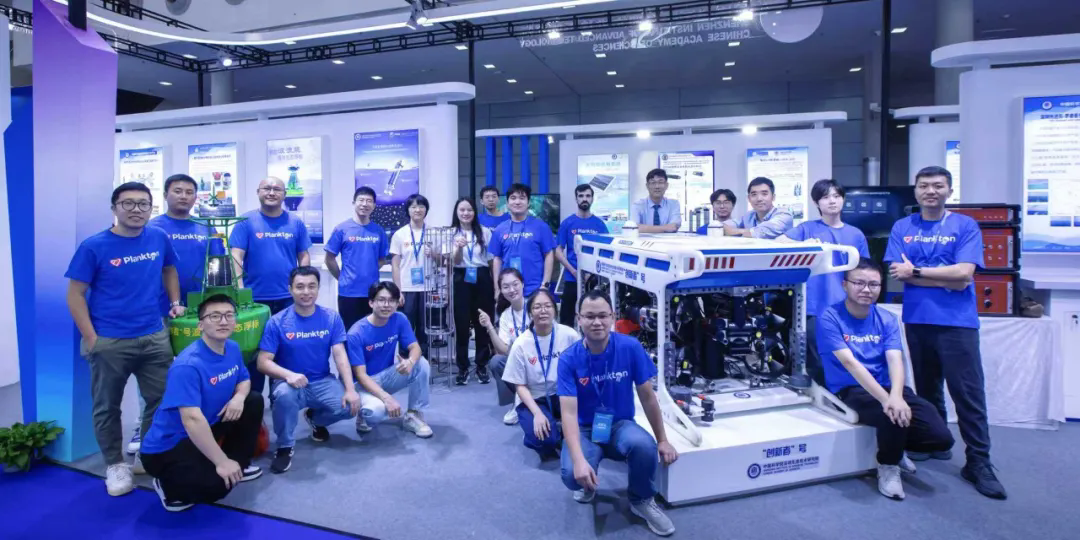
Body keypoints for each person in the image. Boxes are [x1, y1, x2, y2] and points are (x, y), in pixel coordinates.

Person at [884, 165, 1006, 500]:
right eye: (924, 185)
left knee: (968, 394)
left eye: (938, 185)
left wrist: (918, 272)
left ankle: (978, 462)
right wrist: (943, 277)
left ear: (949, 191)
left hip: (957, 322)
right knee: (928, 389)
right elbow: (898, 274)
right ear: (916, 191)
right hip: (918, 320)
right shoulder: (903, 227)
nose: (930, 191)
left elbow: (965, 275)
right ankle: (936, 443)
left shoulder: (964, 226)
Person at [65, 182, 184, 496]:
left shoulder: (158, 237)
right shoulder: (94, 246)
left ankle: (147, 452)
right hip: (110, 342)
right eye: (128, 203)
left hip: (154, 336)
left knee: (161, 400)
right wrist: (91, 338)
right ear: (114, 208)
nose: (136, 209)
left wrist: (175, 302)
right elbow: (75, 294)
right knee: (107, 406)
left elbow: (170, 269)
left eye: (143, 204)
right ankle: (115, 464)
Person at [816, 258, 954, 500]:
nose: (866, 289)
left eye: (873, 284)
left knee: (941, 437)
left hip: (889, 387)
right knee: (891, 416)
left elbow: (895, 359)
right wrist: (887, 400)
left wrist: (897, 396)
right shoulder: (829, 317)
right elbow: (850, 364)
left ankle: (897, 447)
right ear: (845, 285)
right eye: (859, 283)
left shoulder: (887, 319)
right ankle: (888, 465)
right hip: (852, 388)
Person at [559, 290, 677, 537]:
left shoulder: (630, 347)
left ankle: (641, 499)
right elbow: (568, 414)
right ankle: (587, 482)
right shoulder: (568, 359)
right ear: (579, 319)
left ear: (613, 317)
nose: (597, 322)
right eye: (589, 316)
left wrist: (663, 440)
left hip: (620, 424)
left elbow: (648, 397)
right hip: (585, 429)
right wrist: (579, 461)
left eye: (603, 315)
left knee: (644, 446)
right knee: (571, 474)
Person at [141, 294, 265, 511]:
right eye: (214, 316)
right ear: (200, 325)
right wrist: (221, 462)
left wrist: (238, 398)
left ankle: (239, 465)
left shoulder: (232, 348)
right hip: (170, 445)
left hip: (208, 425)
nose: (223, 321)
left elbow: (244, 380)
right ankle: (166, 484)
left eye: (228, 315)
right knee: (216, 488)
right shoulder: (188, 365)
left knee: (252, 400)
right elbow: (191, 419)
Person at [129, 174, 216, 456]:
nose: (184, 196)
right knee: (156, 372)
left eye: (189, 192)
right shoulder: (152, 227)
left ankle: (198, 422)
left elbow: (215, 263)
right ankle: (146, 425)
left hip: (199, 310)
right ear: (166, 194)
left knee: (199, 368)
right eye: (177, 191)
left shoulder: (205, 227)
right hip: (159, 310)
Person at [256, 266, 362, 474]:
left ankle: (314, 418)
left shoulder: (331, 318)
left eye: (311, 286)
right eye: (300, 287)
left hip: (322, 380)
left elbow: (340, 355)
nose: (306, 292)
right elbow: (263, 362)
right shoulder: (277, 322)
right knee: (284, 396)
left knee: (350, 406)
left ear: (318, 288)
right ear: (290, 289)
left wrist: (350, 389)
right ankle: (285, 446)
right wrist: (289, 375)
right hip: (288, 383)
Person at [777, 179, 869, 386]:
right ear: (816, 203)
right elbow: (779, 242)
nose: (832, 201)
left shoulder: (856, 234)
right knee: (817, 363)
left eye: (836, 196)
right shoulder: (807, 229)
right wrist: (803, 245)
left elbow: (865, 271)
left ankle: (844, 396)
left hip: (846, 308)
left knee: (847, 360)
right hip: (813, 307)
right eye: (826, 197)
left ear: (843, 199)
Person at [230, 176, 313, 393]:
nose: (271, 192)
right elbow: (236, 255)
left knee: (286, 350)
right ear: (258, 192)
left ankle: (282, 398)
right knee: (254, 351)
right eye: (266, 188)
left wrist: (303, 287)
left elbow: (303, 255)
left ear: (284, 194)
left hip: (287, 299)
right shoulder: (245, 221)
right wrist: (240, 289)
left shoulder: (295, 222)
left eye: (277, 189)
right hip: (254, 300)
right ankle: (254, 401)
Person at [346, 281, 434, 438]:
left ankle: (413, 414)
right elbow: (360, 375)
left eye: (392, 300)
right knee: (376, 411)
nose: (386, 305)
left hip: (386, 376)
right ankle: (363, 413)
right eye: (381, 300)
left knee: (421, 364)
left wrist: (410, 362)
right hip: (362, 384)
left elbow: (415, 348)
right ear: (371, 302)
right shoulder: (356, 333)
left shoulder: (399, 319)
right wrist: (387, 399)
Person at [502, 289, 580, 457]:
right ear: (530, 313)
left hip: (564, 393)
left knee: (587, 428)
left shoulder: (569, 335)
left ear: (555, 310)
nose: (543, 311)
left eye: (547, 306)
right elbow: (520, 386)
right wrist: (537, 413)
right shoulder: (521, 344)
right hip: (535, 398)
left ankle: (558, 426)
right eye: (537, 307)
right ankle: (535, 430)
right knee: (545, 441)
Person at [325, 186, 390, 330]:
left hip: (373, 291)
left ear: (374, 205)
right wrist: (342, 277)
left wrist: (368, 269)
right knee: (351, 331)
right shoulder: (342, 229)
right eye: (361, 200)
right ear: (354, 203)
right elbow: (329, 258)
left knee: (372, 330)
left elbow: (382, 259)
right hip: (348, 292)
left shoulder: (378, 231)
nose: (365, 204)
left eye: (369, 201)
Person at [450, 197, 496, 386]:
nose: (466, 213)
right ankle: (462, 368)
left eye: (469, 210)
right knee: (461, 325)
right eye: (462, 210)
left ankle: (481, 365)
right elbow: (454, 261)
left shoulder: (484, 232)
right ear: (456, 212)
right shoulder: (452, 233)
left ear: (475, 212)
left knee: (482, 323)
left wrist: (496, 286)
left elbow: (491, 261)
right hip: (461, 278)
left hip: (482, 277)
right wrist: (458, 248)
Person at [480, 268, 530, 426]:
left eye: (515, 284)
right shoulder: (506, 316)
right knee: (496, 361)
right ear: (501, 290)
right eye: (506, 287)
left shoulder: (534, 306)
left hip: (539, 359)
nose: (512, 290)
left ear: (522, 284)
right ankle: (518, 401)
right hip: (518, 361)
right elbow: (502, 350)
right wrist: (489, 326)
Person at [489, 183, 556, 297]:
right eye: (513, 198)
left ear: (528, 202)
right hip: (508, 291)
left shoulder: (541, 227)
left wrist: (545, 285)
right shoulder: (499, 229)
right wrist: (497, 288)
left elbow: (549, 254)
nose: (517, 202)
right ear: (507, 203)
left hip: (535, 290)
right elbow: (497, 259)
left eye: (522, 198)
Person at [555, 184, 608, 327]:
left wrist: (593, 274)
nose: (585, 199)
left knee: (593, 318)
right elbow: (558, 251)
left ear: (592, 199)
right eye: (581, 196)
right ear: (576, 199)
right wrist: (573, 271)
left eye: (588, 196)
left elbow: (605, 252)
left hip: (594, 280)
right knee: (566, 320)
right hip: (571, 278)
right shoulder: (567, 223)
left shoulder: (599, 225)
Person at [390, 193, 432, 358]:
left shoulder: (433, 232)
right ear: (408, 210)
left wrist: (434, 254)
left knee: (424, 330)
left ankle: (423, 364)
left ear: (426, 210)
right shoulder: (400, 234)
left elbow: (443, 261)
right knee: (405, 329)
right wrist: (398, 291)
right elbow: (395, 265)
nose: (417, 210)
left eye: (421, 206)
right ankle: (404, 364)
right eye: (413, 206)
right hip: (407, 289)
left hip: (428, 288)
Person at [724, 177, 793, 239]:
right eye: (754, 194)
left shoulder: (784, 215)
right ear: (749, 198)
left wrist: (734, 231)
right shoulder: (748, 216)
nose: (759, 199)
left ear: (773, 197)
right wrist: (722, 226)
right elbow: (729, 224)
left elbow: (763, 231)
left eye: (764, 194)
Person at [631, 168, 682, 233]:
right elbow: (634, 228)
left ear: (666, 185)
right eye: (653, 183)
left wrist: (643, 228)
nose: (657, 186)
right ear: (647, 186)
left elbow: (673, 227)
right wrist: (665, 228)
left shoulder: (674, 204)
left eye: (660, 182)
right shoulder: (638, 205)